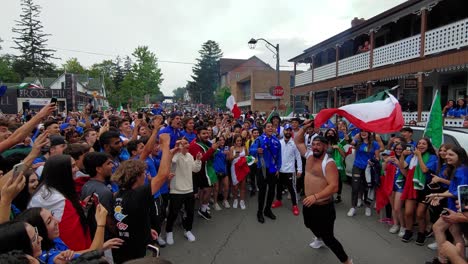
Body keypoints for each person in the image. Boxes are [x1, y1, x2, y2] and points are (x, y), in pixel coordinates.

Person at [294, 119, 353, 264]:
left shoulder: (329, 163)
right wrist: (305, 127)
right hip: (309, 203)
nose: (315, 147)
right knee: (309, 224)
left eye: (319, 144)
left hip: (323, 206)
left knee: (329, 238)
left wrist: (316, 196)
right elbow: (298, 141)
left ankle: (347, 261)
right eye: (313, 144)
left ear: (325, 147)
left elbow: (333, 187)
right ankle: (319, 238)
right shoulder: (308, 156)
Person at [111, 133, 172, 264]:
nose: (145, 175)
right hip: (134, 252)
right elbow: (163, 175)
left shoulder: (119, 194)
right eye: (143, 173)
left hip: (124, 245)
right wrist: (166, 145)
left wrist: (146, 230)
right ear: (136, 177)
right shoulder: (138, 194)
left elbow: (130, 218)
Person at [28, 155, 92, 251]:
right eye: (73, 166)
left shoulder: (46, 189)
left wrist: (81, 206)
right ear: (62, 171)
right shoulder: (58, 200)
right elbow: (72, 237)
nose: (77, 169)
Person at [17, 207, 123, 264]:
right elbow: (93, 253)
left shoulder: (54, 239)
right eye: (49, 221)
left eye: (53, 216)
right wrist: (101, 223)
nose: (57, 221)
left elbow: (76, 254)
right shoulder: (50, 258)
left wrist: (102, 246)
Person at [425, 146, 468, 264]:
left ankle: (442, 259)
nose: (447, 157)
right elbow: (453, 189)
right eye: (447, 154)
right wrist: (438, 195)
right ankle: (455, 259)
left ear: (460, 156)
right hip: (455, 207)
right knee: (455, 233)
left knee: (437, 228)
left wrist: (440, 195)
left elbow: (462, 192)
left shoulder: (461, 171)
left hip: (457, 208)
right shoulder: (457, 169)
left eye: (451, 155)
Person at [399, 138, 438, 245]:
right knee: (408, 212)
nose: (421, 145)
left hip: (424, 188)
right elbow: (403, 166)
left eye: (424, 144)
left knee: (420, 214)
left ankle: (421, 233)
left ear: (428, 146)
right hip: (411, 187)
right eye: (419, 143)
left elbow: (425, 170)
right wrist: (403, 155)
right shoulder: (412, 156)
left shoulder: (432, 157)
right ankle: (409, 231)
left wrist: (419, 155)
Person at [165, 138, 202, 245]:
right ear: (179, 146)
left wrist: (198, 160)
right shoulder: (174, 155)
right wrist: (177, 150)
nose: (187, 145)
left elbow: (195, 169)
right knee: (173, 213)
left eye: (187, 143)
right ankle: (169, 231)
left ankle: (188, 230)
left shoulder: (190, 156)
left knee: (190, 212)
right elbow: (173, 162)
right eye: (184, 143)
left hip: (189, 189)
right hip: (176, 190)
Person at [249, 122, 282, 223]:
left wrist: (278, 168)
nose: (270, 128)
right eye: (268, 127)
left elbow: (279, 156)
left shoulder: (277, 141)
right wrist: (256, 150)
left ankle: (267, 210)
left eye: (271, 126)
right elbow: (251, 150)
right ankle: (260, 212)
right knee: (262, 192)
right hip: (262, 169)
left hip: (272, 169)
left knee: (272, 191)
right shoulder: (259, 140)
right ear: (264, 129)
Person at [347, 131, 381, 217]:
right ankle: (353, 207)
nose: (363, 133)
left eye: (365, 132)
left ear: (369, 134)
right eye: (362, 132)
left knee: (367, 188)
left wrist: (373, 161)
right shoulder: (358, 142)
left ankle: (368, 207)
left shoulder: (375, 144)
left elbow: (377, 157)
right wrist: (344, 133)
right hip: (357, 167)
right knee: (355, 187)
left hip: (368, 169)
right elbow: (350, 141)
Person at [272, 124, 302, 216]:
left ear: (291, 132)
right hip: (280, 170)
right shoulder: (279, 142)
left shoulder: (294, 144)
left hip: (290, 171)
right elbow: (275, 157)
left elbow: (298, 157)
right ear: (283, 131)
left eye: (289, 130)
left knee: (292, 189)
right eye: (286, 130)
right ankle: (278, 200)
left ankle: (295, 205)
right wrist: (275, 168)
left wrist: (299, 169)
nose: (288, 132)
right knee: (279, 187)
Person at [188, 126, 218, 221]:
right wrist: (212, 149)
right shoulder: (194, 145)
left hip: (204, 170)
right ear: (198, 135)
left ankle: (203, 208)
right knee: (206, 190)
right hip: (200, 171)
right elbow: (201, 159)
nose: (206, 135)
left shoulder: (205, 142)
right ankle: (200, 210)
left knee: (205, 189)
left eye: (207, 133)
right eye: (203, 133)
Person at [229, 134, 250, 210]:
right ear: (235, 141)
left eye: (240, 140)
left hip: (242, 168)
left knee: (243, 186)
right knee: (235, 186)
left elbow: (248, 157)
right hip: (234, 168)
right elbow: (229, 159)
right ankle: (235, 200)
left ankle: (242, 201)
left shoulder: (244, 147)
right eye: (237, 140)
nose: (239, 142)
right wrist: (234, 156)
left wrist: (248, 160)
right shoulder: (232, 148)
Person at [212, 135, 230, 210]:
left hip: (224, 170)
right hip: (215, 170)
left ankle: (225, 200)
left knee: (226, 186)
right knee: (216, 188)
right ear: (217, 141)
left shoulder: (226, 148)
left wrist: (227, 154)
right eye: (220, 140)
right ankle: (215, 203)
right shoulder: (214, 148)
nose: (222, 141)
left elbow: (228, 160)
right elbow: (211, 156)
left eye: (223, 140)